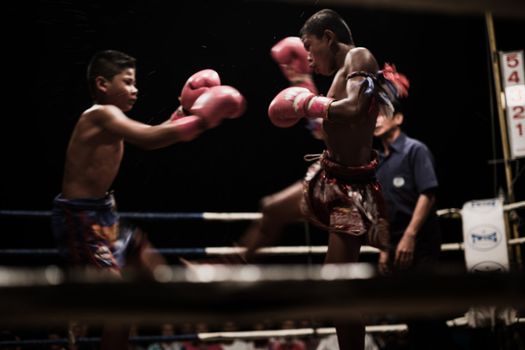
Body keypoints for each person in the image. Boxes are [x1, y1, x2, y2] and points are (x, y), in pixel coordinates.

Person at [51, 50, 245, 350]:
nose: (135, 89)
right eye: (127, 82)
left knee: (149, 267)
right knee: (123, 304)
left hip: (104, 216)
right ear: (103, 84)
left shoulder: (112, 118)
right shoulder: (101, 114)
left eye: (135, 82)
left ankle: (85, 314)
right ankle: (80, 314)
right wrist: (201, 121)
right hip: (81, 220)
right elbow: (149, 138)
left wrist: (183, 114)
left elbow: (158, 133)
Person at [244, 9, 409, 350]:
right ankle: (225, 268)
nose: (306, 55)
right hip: (327, 175)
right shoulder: (342, 74)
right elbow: (329, 125)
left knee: (338, 290)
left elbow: (350, 109)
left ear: (328, 38)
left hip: (351, 192)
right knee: (271, 209)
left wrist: (306, 101)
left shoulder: (360, 57)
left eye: (309, 45)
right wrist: (302, 89)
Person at [373, 100, 456, 349]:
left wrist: (410, 235)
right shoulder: (379, 161)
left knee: (426, 309)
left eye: (382, 115)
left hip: (421, 241)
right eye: (372, 116)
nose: (376, 120)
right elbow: (383, 207)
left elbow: (428, 193)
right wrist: (384, 249)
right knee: (409, 312)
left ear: (398, 118)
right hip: (395, 244)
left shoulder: (414, 150)